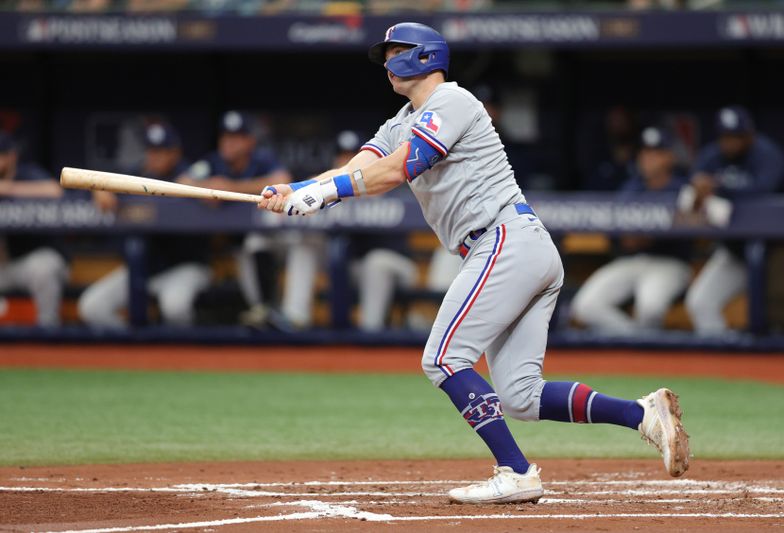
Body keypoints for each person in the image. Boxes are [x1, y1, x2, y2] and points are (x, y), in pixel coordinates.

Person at [259, 22, 690, 504]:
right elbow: (357, 168)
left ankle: (517, 471)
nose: (387, 62)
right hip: (513, 248)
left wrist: (322, 194)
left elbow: (399, 169)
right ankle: (641, 414)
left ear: (425, 57)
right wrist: (295, 191)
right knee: (521, 395)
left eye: (396, 51)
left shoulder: (454, 101)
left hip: (504, 240)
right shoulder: (401, 120)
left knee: (443, 358)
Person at [78, 121, 214, 328]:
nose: (155, 156)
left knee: (174, 307)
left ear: (175, 152)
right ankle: (134, 355)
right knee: (92, 307)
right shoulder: (140, 173)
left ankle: (182, 358)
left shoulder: (192, 173)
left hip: (185, 266)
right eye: (152, 150)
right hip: (144, 269)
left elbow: (211, 185)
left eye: (162, 151)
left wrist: (197, 187)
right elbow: (108, 180)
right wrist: (101, 189)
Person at [177, 110, 295, 330]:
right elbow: (183, 182)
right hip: (239, 246)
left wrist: (231, 188)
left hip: (278, 239)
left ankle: (282, 315)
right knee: (247, 247)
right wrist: (209, 190)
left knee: (259, 242)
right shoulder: (212, 162)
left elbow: (283, 180)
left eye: (236, 137)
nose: (228, 143)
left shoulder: (262, 159)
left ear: (249, 141)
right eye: (225, 136)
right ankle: (263, 312)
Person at [569, 126, 693, 334]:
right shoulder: (631, 189)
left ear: (669, 157)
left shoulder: (683, 189)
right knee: (585, 306)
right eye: (645, 153)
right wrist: (628, 239)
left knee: (650, 308)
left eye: (656, 153)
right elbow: (616, 234)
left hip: (670, 262)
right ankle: (637, 343)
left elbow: (692, 230)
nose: (649, 158)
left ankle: (645, 350)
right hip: (632, 260)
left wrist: (650, 237)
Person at [684, 106, 784, 335]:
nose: (730, 143)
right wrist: (699, 189)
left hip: (778, 256)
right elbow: (693, 188)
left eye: (736, 137)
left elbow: (763, 190)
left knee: (782, 319)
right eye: (725, 137)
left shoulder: (768, 154)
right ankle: (720, 367)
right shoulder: (712, 155)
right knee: (700, 302)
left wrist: (719, 187)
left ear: (749, 135)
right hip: (735, 252)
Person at [0, 131, 69, 327]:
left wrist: (6, 188)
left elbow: (55, 190)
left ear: (11, 156)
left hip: (29, 261)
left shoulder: (27, 173)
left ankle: (48, 335)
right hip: (3, 264)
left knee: (43, 268)